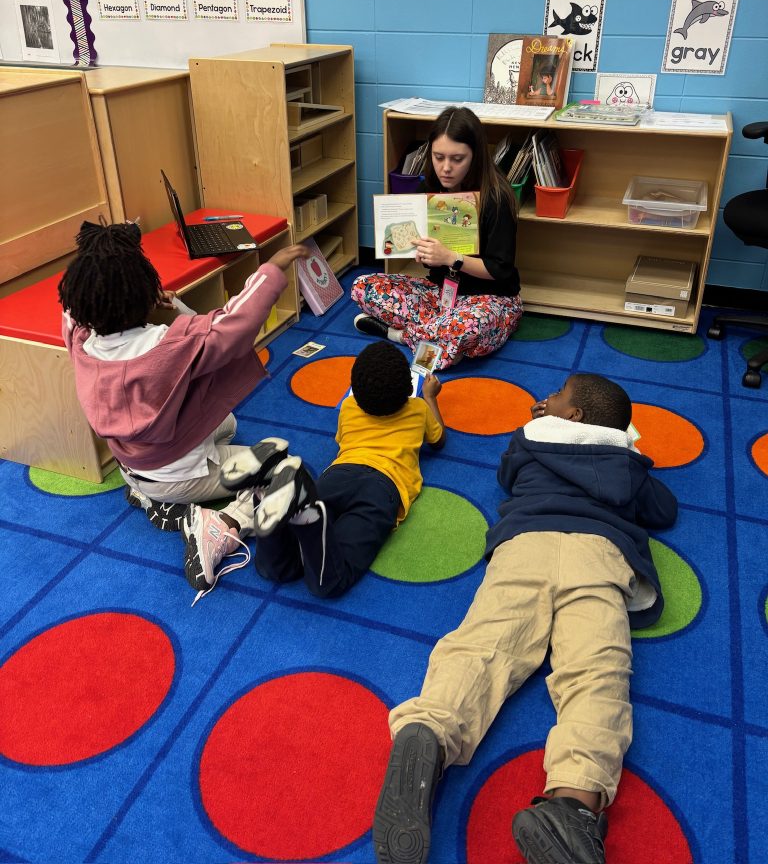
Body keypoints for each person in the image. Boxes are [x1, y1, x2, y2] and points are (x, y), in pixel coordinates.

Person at [372, 373, 678, 864]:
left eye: (556, 395)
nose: (547, 398)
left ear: (570, 415)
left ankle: (429, 729)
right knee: (597, 672)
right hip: (599, 556)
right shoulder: (624, 463)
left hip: (525, 546)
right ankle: (574, 804)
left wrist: (537, 426)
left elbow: (507, 475)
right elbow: (663, 509)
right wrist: (628, 448)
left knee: (483, 646)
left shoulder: (530, 439)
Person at [58, 218, 309, 602]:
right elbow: (231, 325)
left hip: (135, 461)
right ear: (143, 292)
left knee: (225, 424)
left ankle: (148, 495)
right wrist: (271, 269)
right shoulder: (168, 346)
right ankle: (220, 524)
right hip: (176, 473)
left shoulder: (79, 341)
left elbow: (73, 308)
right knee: (287, 470)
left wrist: (161, 299)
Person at [219, 341, 445, 598]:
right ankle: (311, 521)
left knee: (281, 569)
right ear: (408, 388)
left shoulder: (348, 408)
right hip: (382, 487)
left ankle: (267, 494)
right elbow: (438, 442)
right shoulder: (418, 409)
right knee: (330, 581)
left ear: (356, 391)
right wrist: (428, 397)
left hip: (338, 474)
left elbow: (341, 440)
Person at [352, 106, 522, 368]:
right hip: (441, 295)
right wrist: (425, 254)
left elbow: (500, 270)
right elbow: (429, 262)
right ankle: (439, 340)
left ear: (475, 156)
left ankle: (397, 335)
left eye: (457, 159)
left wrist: (451, 258)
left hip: (492, 299)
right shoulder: (430, 188)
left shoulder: (497, 196)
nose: (446, 168)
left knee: (465, 327)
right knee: (363, 286)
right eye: (438, 156)